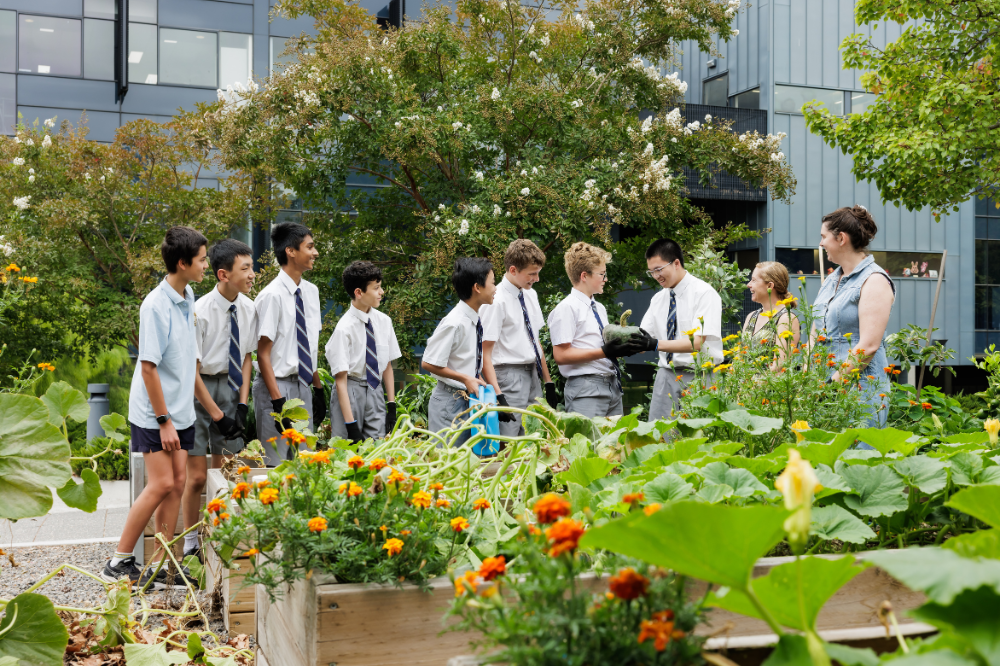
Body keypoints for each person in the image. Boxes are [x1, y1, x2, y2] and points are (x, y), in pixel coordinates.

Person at [102, 227, 207, 587]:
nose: (206, 265)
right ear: (183, 263)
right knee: (162, 483)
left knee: (178, 483)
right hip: (155, 412)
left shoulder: (188, 294)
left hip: (181, 409)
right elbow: (148, 368)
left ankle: (161, 567)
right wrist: (163, 421)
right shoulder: (156, 305)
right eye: (202, 260)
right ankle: (119, 560)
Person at [181, 239, 256, 562]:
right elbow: (191, 371)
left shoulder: (249, 307)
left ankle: (219, 538)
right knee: (197, 476)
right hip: (199, 390)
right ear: (223, 274)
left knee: (225, 473)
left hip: (232, 385)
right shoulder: (200, 310)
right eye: (246, 268)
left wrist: (241, 403)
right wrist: (216, 414)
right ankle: (189, 546)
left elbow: (248, 357)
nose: (253, 274)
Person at [813, 205, 896, 429]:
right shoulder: (831, 280)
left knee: (857, 461)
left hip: (861, 391)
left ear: (841, 238)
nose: (820, 243)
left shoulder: (875, 280)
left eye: (823, 237)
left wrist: (831, 386)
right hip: (823, 387)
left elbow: (868, 347)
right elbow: (815, 331)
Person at [253, 222, 326, 465]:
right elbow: (262, 354)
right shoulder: (271, 295)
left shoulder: (312, 292)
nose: (315, 252)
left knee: (304, 463)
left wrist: (318, 389)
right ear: (291, 251)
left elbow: (309, 345)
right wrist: (278, 402)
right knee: (276, 465)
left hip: (304, 385)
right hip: (277, 387)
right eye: (310, 247)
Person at [548, 242, 645, 418]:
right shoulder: (567, 308)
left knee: (613, 445)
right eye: (602, 274)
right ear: (584, 276)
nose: (605, 279)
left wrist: (627, 345)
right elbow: (561, 356)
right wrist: (604, 351)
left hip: (611, 385)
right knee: (588, 444)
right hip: (586, 388)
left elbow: (602, 348)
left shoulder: (598, 307)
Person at [638, 238, 723, 422]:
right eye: (651, 272)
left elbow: (697, 342)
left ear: (676, 263)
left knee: (698, 437)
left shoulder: (704, 293)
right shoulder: (658, 299)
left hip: (700, 376)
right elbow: (643, 338)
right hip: (666, 376)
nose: (656, 276)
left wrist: (655, 345)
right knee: (659, 437)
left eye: (659, 269)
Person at [480, 239, 557, 436]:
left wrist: (547, 382)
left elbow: (535, 340)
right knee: (509, 437)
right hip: (507, 375)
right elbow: (484, 353)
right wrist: (499, 395)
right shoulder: (495, 301)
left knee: (536, 435)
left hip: (533, 373)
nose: (537, 278)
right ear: (513, 270)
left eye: (538, 272)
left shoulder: (530, 294)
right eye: (532, 274)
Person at [422, 257, 496, 445]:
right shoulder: (455, 322)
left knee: (468, 466)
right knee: (448, 465)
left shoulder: (474, 317)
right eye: (492, 283)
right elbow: (428, 363)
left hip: (467, 400)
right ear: (477, 288)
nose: (495, 288)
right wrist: (465, 378)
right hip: (450, 402)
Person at [325, 260, 401, 443]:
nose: (381, 292)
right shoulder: (344, 329)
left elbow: (387, 365)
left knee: (376, 450)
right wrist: (350, 424)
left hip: (375, 389)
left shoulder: (384, 322)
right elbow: (340, 381)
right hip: (350, 390)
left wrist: (391, 405)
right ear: (359, 292)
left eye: (380, 287)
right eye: (376, 288)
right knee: (346, 452)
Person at [743, 261, 801, 365]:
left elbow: (780, 365)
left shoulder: (786, 318)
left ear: (770, 286)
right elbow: (740, 356)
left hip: (767, 381)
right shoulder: (751, 317)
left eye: (754, 280)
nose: (748, 285)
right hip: (742, 380)